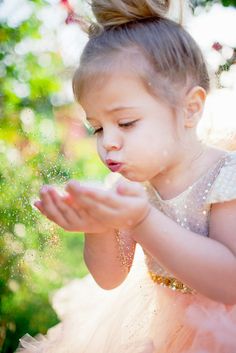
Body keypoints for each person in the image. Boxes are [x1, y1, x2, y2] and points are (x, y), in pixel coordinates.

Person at [17, 0, 236, 352]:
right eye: (97, 128)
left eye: (126, 123)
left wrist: (141, 219)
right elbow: (110, 277)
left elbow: (230, 283)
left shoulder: (225, 176)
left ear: (189, 109)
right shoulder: (134, 188)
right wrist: (98, 226)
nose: (109, 143)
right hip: (166, 329)